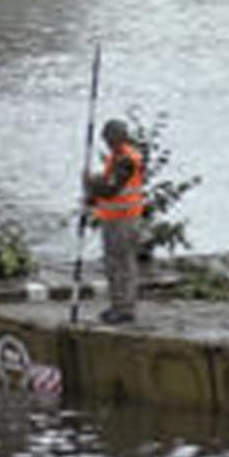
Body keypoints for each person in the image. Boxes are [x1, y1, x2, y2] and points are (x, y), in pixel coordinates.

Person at [83, 118, 144, 324]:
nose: (108, 144)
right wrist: (91, 195)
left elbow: (111, 189)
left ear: (118, 138)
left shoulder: (127, 159)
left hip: (125, 220)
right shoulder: (117, 158)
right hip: (113, 219)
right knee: (113, 264)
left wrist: (91, 183)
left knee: (123, 264)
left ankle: (125, 308)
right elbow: (107, 186)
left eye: (110, 140)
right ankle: (117, 304)